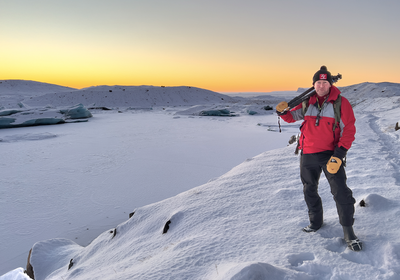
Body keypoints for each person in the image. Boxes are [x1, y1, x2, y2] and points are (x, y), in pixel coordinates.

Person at [276, 66, 362, 251]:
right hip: (307, 153)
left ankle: (348, 231)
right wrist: (283, 113)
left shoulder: (341, 103)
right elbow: (292, 117)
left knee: (341, 192)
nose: (321, 85)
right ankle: (315, 222)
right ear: (314, 84)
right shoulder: (308, 102)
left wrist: (339, 155)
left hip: (331, 155)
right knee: (309, 190)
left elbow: (349, 130)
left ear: (330, 84)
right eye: (318, 82)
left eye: (325, 82)